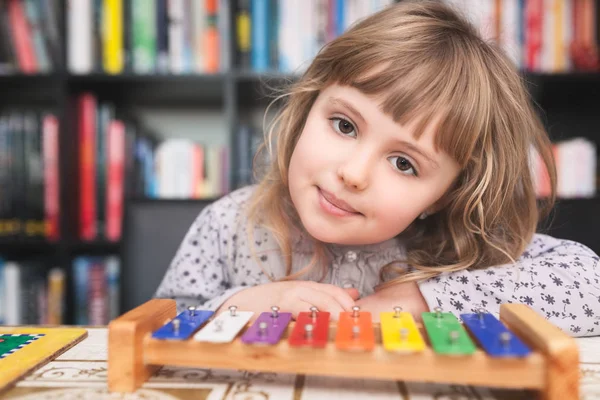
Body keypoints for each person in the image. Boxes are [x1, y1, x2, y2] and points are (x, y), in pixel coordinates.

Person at [154, 0, 599, 337]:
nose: (354, 173)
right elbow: (159, 325)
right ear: (308, 107)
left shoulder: (456, 248)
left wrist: (428, 299)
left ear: (442, 195)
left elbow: (589, 286)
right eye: (344, 125)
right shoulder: (230, 224)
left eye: (404, 163)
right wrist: (247, 305)